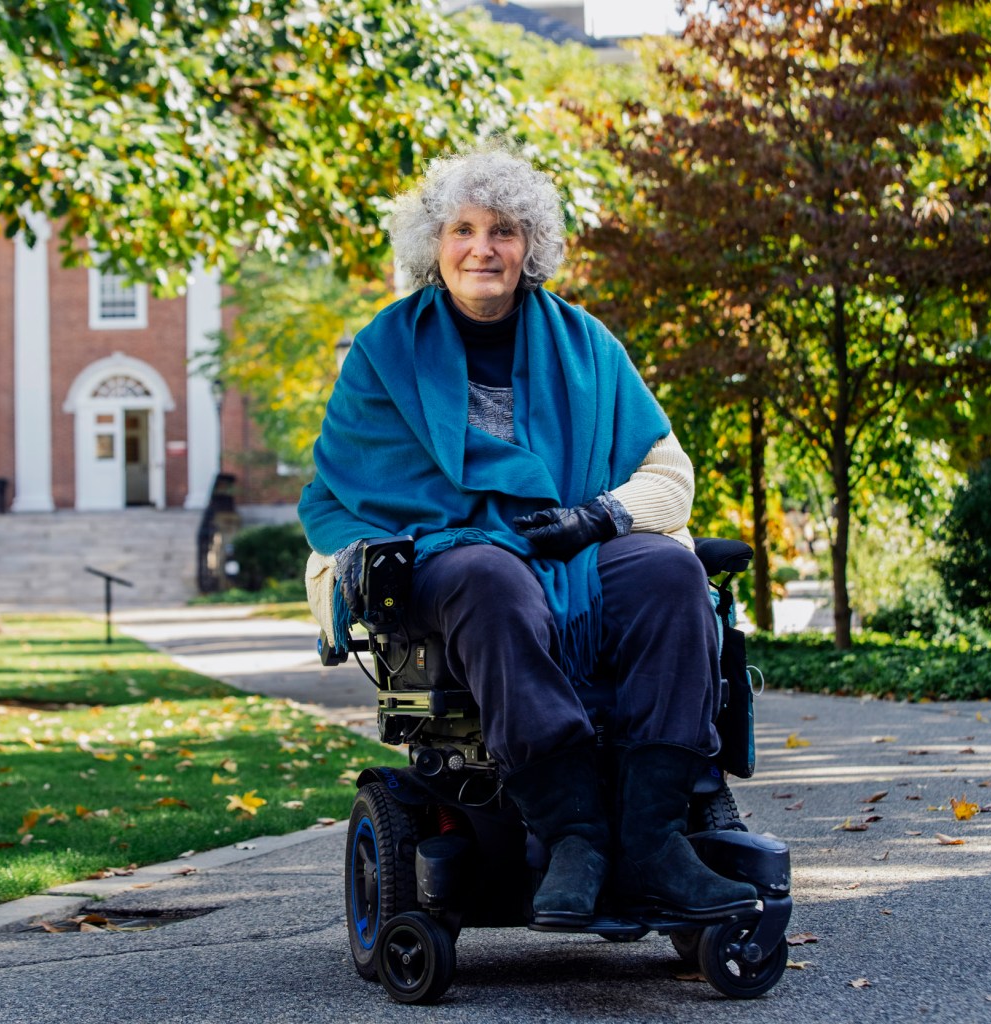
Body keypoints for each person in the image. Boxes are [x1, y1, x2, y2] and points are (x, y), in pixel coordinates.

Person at [299, 143, 755, 928]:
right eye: (464, 229)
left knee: (671, 575)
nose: (484, 247)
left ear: (530, 246)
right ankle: (572, 835)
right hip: (445, 556)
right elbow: (347, 480)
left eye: (504, 230)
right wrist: (444, 543)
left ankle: (653, 841)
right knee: (490, 576)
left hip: (570, 544)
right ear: (434, 246)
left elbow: (669, 476)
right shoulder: (384, 351)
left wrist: (598, 517)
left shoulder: (587, 345)